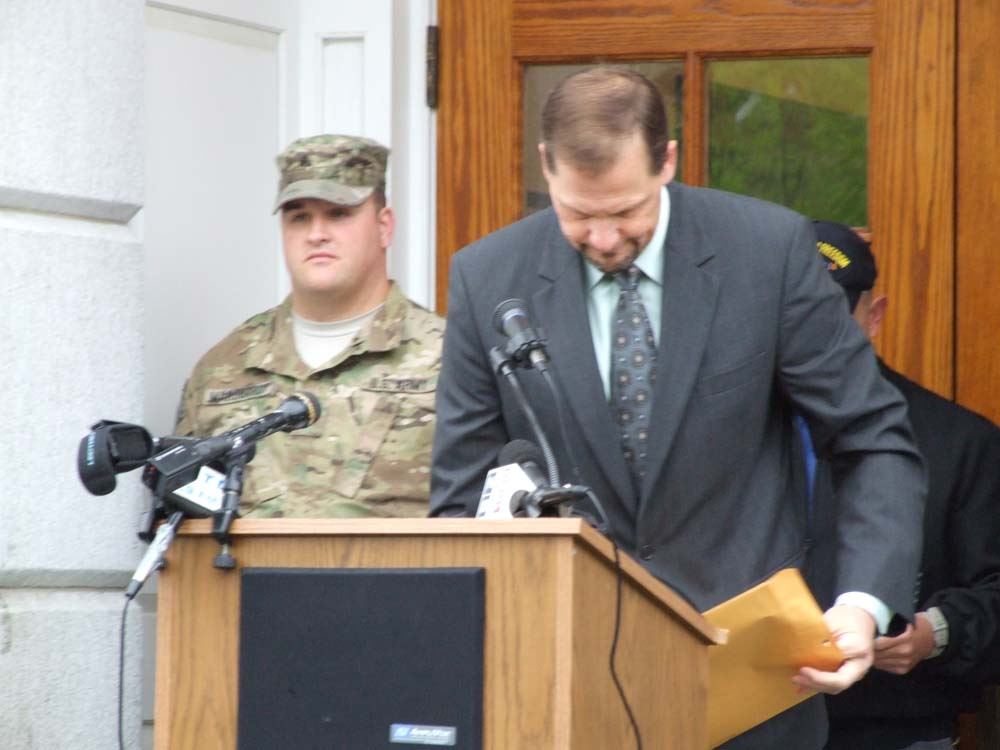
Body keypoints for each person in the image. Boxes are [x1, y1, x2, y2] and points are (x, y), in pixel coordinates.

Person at [429, 67, 926, 748]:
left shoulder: (768, 252)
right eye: (578, 215)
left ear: (667, 161)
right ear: (546, 165)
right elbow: (460, 498)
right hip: (562, 689)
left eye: (624, 212)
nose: (604, 239)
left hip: (753, 689)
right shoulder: (487, 276)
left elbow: (873, 439)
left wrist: (862, 605)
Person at [176, 134, 444, 518]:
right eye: (299, 217)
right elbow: (181, 521)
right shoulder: (223, 368)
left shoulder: (448, 358)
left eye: (338, 214)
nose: (316, 234)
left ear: (384, 227)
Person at [810, 220, 1000, 750]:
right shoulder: (728, 430)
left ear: (874, 317)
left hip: (897, 731)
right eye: (796, 317)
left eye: (830, 319)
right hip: (743, 726)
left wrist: (933, 633)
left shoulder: (961, 442)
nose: (811, 338)